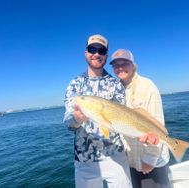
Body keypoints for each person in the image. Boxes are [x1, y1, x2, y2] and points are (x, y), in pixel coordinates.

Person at [63, 35, 132, 188]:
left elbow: (125, 117)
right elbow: (67, 123)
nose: (96, 54)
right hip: (85, 159)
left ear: (106, 55)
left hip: (116, 156)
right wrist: (76, 120)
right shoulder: (75, 85)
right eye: (92, 49)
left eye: (101, 51)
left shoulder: (116, 84)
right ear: (86, 53)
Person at [110, 49, 171, 188]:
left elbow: (157, 126)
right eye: (115, 65)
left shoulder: (147, 86)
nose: (120, 67)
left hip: (150, 164)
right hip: (130, 162)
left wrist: (150, 159)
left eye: (124, 63)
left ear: (133, 65)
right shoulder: (117, 90)